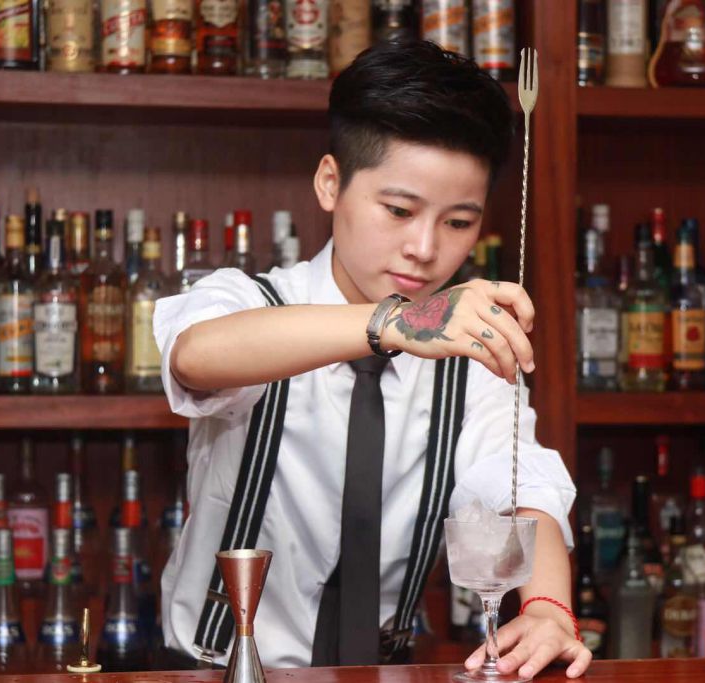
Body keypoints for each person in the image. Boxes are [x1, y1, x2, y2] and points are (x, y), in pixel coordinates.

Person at [154, 40, 589, 680]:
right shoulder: (250, 301)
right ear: (331, 183)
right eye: (399, 210)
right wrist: (395, 323)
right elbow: (195, 355)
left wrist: (549, 608)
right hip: (219, 670)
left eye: (458, 222)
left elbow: (520, 488)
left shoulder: (468, 359)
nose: (424, 248)